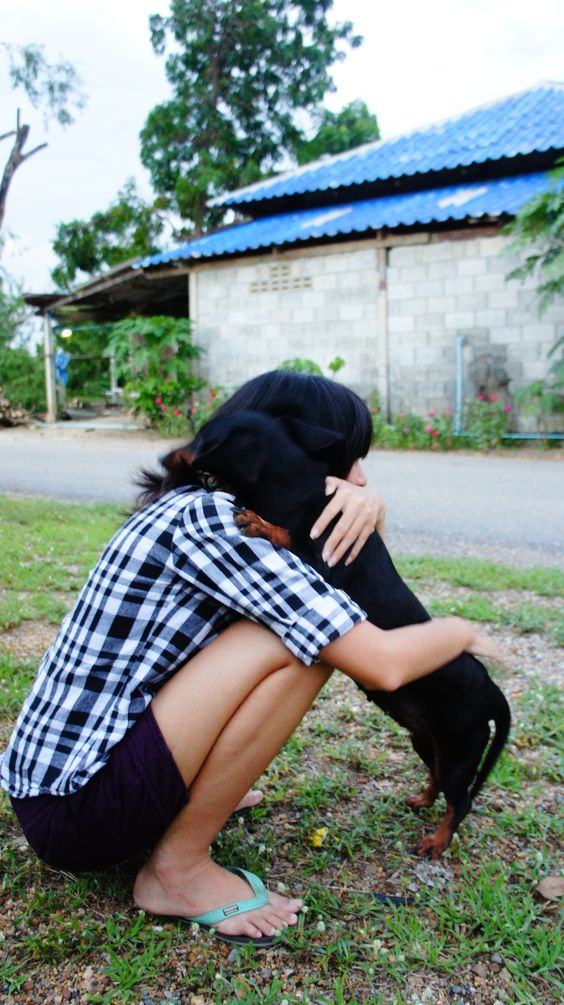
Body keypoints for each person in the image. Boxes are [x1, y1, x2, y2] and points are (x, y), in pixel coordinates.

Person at [0, 370, 501, 947]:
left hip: (61, 789)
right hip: (77, 812)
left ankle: (185, 800)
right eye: (348, 458)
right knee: (307, 642)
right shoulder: (217, 524)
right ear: (296, 451)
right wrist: (460, 630)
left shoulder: (203, 506)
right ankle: (176, 872)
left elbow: (342, 566)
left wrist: (368, 505)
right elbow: (383, 662)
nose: (360, 478)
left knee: (306, 620)